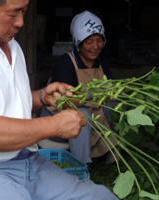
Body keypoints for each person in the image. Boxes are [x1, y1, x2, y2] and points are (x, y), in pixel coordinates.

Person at [0, 1, 118, 200]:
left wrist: (41, 97)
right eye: (13, 14)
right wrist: (55, 125)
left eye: (24, 11)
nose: (21, 22)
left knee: (100, 196)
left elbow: (6, 103)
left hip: (29, 161)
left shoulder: (11, 45)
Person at [41, 10, 117, 164]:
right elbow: (65, 102)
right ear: (78, 43)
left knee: (116, 105)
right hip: (58, 121)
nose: (95, 46)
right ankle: (82, 165)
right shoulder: (66, 63)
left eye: (99, 40)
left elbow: (111, 91)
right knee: (81, 114)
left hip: (94, 112)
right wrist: (93, 98)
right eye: (89, 41)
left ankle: (113, 154)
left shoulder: (102, 62)